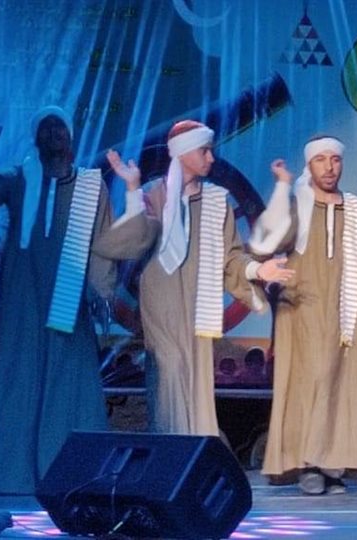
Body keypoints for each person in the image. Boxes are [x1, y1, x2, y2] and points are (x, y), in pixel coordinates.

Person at [0, 106, 113, 494]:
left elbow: (102, 243)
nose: (54, 132)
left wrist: (102, 291)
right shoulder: (19, 179)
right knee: (18, 381)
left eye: (60, 126)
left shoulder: (90, 186)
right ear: (35, 139)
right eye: (46, 127)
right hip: (23, 303)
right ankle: (15, 475)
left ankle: (72, 475)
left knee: (71, 386)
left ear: (71, 138)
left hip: (69, 303)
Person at [98, 120, 292, 436]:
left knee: (198, 386)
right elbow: (135, 240)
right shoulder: (153, 196)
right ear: (183, 152)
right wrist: (133, 189)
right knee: (169, 375)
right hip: (162, 306)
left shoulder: (216, 202)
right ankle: (171, 448)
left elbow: (231, 258)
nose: (211, 158)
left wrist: (258, 270)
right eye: (205, 151)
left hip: (199, 307)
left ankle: (196, 449)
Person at [249, 135, 357, 495]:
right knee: (311, 381)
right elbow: (267, 241)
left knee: (344, 385)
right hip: (302, 310)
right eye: (321, 160)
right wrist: (283, 188)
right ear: (310, 165)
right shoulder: (297, 205)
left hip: (347, 314)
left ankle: (333, 465)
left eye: (335, 160)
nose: (330, 168)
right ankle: (307, 462)